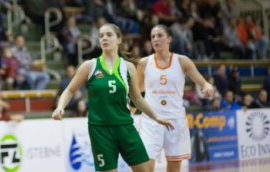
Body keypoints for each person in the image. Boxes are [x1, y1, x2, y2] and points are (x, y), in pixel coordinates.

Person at [52, 23, 173, 172]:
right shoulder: (90, 66)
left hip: (125, 126)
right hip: (100, 130)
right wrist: (60, 107)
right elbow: (69, 90)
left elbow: (137, 99)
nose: (104, 38)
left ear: (119, 39)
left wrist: (156, 116)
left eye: (109, 35)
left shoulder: (128, 67)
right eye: (101, 36)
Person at [137, 25, 214, 172]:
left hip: (175, 121)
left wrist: (207, 86)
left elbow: (202, 82)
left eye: (159, 35)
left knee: (174, 167)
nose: (155, 39)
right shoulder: (144, 63)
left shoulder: (182, 61)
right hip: (151, 121)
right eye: (153, 36)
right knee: (144, 166)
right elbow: (136, 92)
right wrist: (128, 110)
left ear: (169, 39)